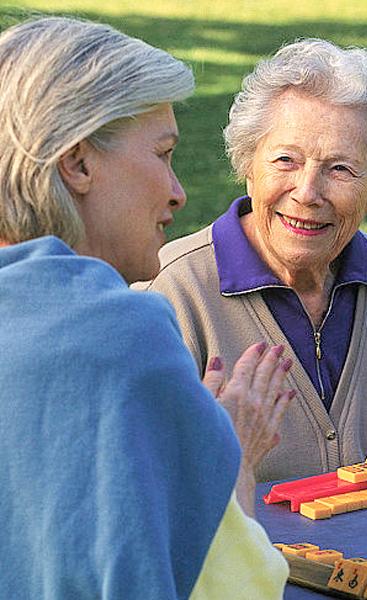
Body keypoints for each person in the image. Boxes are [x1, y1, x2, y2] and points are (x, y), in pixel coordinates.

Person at [0, 17, 289, 597]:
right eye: (163, 154)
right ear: (78, 164)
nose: (177, 192)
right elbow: (229, 588)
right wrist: (228, 463)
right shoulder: (116, 338)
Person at [144, 38, 367, 482]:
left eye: (341, 169)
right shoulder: (172, 292)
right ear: (248, 168)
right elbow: (148, 491)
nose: (308, 193)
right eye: (285, 160)